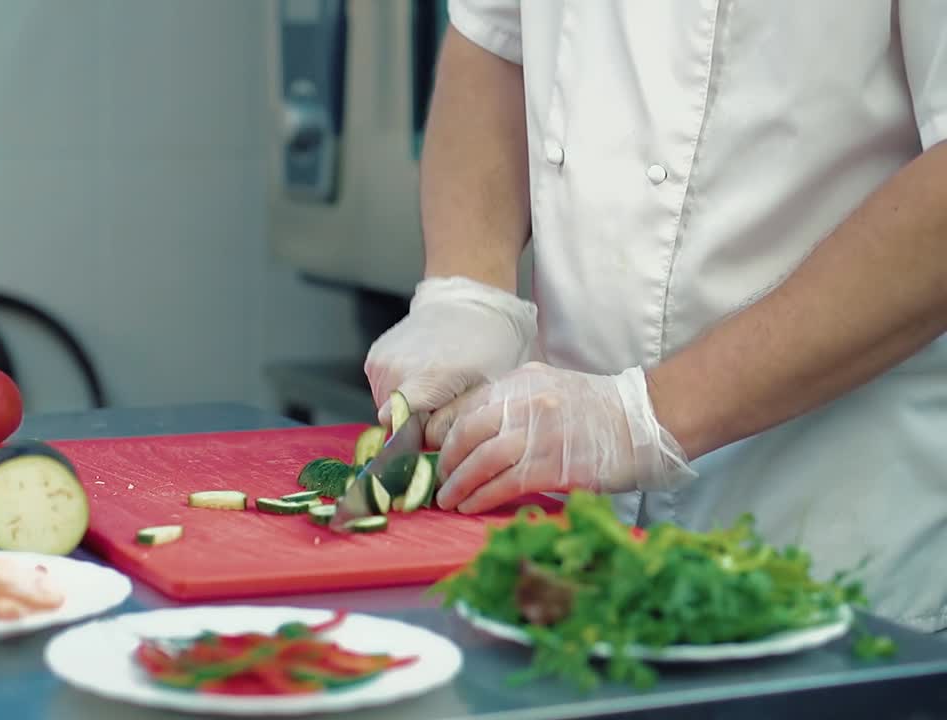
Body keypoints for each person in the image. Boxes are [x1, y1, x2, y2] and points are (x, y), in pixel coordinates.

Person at [364, 1, 947, 634]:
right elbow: (495, 40)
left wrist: (644, 416)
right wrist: (466, 289)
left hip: (827, 532)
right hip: (566, 533)